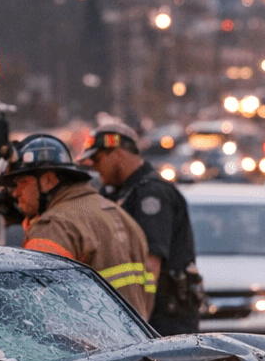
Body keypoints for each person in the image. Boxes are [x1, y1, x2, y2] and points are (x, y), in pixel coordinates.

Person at [0, 133, 154, 317]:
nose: (15, 193)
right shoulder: (120, 215)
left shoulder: (53, 227)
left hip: (83, 344)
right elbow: (147, 294)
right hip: (136, 340)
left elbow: (38, 308)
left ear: (47, 180)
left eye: (21, 182)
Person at [80, 121, 202, 335]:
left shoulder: (151, 195)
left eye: (98, 159)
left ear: (117, 154)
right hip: (141, 316)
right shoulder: (119, 194)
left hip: (161, 320)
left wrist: (136, 327)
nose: (95, 168)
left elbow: (149, 266)